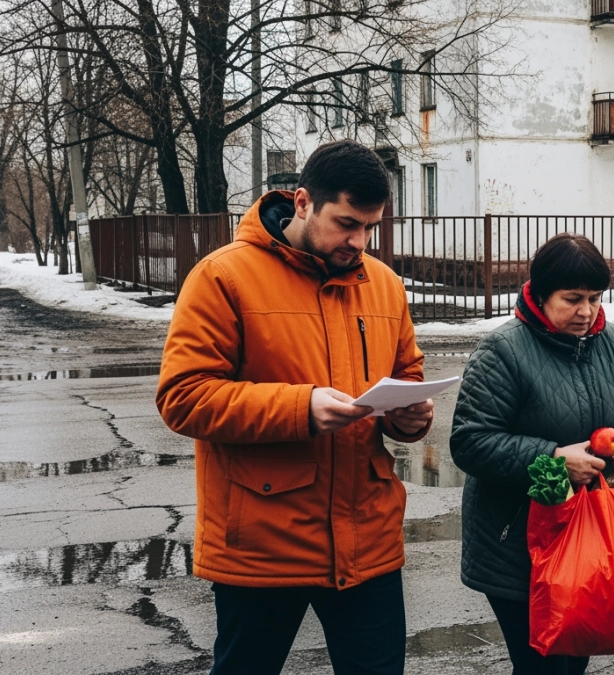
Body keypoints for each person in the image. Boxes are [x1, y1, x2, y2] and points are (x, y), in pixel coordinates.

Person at [156, 140, 433, 675]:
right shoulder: (223, 277)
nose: (360, 242)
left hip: (368, 541)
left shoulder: (384, 286)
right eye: (347, 223)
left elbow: (407, 376)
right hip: (264, 545)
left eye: (371, 227)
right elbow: (183, 397)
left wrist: (411, 416)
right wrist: (299, 408)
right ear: (303, 202)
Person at [450, 233, 614, 675]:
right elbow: (470, 442)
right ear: (541, 294)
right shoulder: (502, 351)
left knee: (573, 663)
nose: (586, 312)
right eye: (572, 299)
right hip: (520, 546)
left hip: (592, 537)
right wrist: (552, 457)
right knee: (544, 668)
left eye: (595, 298)